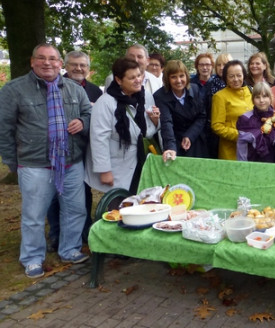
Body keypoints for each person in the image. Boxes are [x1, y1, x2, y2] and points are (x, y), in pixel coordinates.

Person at [0, 44, 92, 278]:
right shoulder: (14, 90)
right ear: (32, 62)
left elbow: (89, 114)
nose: (47, 63)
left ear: (61, 64)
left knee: (75, 210)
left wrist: (83, 123)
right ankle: (32, 258)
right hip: (35, 165)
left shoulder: (74, 89)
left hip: (71, 163)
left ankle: (69, 250)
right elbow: (4, 130)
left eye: (53, 59)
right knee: (34, 215)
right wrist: (13, 163)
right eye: (41, 58)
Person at [47, 50, 103, 252]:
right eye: (74, 65)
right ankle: (56, 235)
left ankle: (84, 231)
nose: (79, 68)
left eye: (83, 65)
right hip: (58, 153)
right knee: (55, 196)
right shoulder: (54, 86)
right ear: (65, 66)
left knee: (83, 195)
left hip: (85, 150)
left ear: (88, 68)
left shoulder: (96, 91)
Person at [85, 57, 160, 194]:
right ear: (119, 80)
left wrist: (155, 121)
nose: (138, 80)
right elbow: (98, 139)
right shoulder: (105, 103)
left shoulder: (146, 96)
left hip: (142, 160)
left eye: (139, 75)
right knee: (119, 207)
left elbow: (147, 132)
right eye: (132, 78)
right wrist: (104, 170)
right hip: (117, 166)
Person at [153, 60, 208, 159]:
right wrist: (170, 147)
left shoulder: (195, 90)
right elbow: (166, 122)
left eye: (181, 76)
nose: (178, 80)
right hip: (174, 139)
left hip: (195, 138)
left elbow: (202, 116)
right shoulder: (160, 96)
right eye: (173, 77)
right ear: (167, 79)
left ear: (186, 76)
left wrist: (189, 135)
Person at [211, 60, 253, 160]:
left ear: (244, 75)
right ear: (225, 78)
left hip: (252, 149)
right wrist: (239, 136)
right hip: (231, 151)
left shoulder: (252, 91)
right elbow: (217, 126)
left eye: (239, 75)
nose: (235, 79)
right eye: (231, 76)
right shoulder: (220, 96)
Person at [236, 82, 275, 162]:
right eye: (257, 97)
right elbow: (241, 147)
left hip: (273, 165)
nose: (261, 100)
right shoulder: (245, 119)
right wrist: (242, 167)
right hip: (251, 165)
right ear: (253, 100)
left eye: (265, 96)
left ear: (270, 98)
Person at [205, 53, 232, 159]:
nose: (221, 68)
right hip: (213, 133)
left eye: (224, 64)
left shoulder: (238, 84)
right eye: (218, 65)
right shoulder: (209, 85)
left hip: (233, 130)